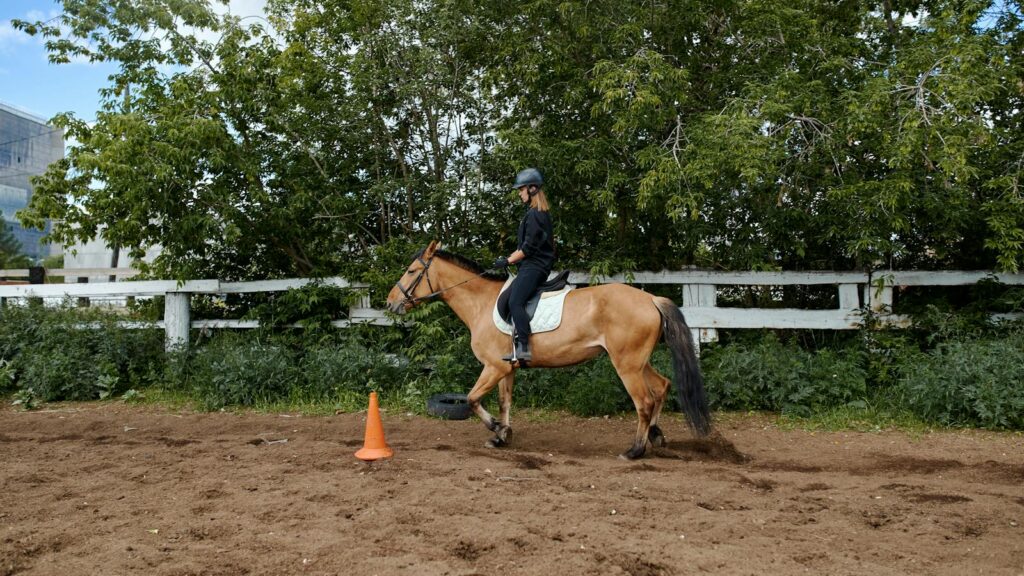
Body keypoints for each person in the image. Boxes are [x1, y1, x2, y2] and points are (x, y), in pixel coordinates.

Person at [493, 168, 556, 363]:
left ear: (532, 188)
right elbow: (525, 246)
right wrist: (509, 257)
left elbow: (528, 248)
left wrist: (508, 260)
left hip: (535, 267)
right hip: (531, 265)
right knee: (509, 298)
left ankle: (524, 348)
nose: (519, 193)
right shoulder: (534, 213)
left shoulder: (536, 214)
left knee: (515, 302)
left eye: (521, 189)